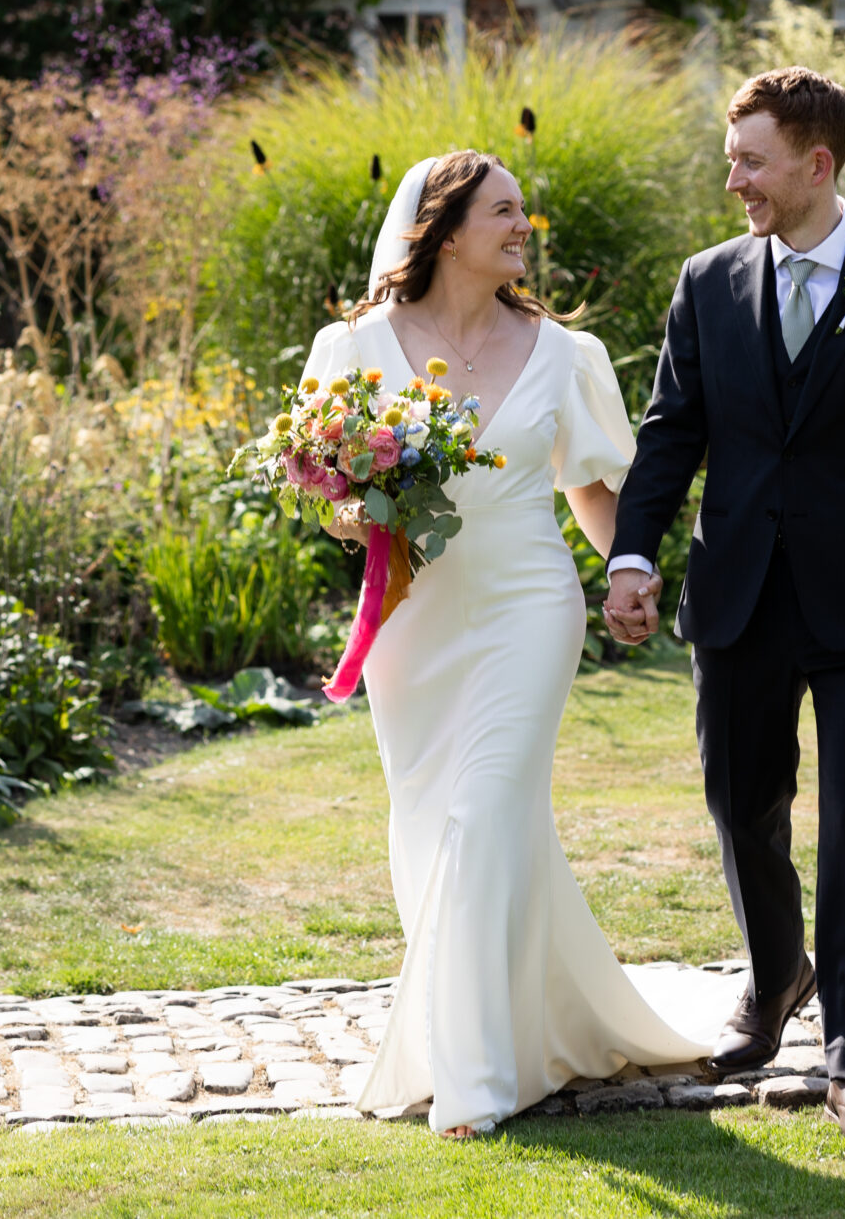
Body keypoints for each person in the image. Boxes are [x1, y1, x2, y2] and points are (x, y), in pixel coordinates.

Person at [603, 67, 845, 1147]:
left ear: (816, 165)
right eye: (731, 159)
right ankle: (777, 979)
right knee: (738, 806)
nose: (732, 181)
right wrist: (633, 551)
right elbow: (672, 429)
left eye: (750, 160)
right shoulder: (707, 280)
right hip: (736, 595)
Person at [301, 151, 708, 1138]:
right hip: (414, 617)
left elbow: (591, 488)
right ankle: (531, 1022)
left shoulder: (565, 354)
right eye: (501, 211)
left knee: (483, 815)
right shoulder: (352, 346)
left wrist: (631, 571)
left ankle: (473, 1081)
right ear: (441, 231)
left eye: (523, 210)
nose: (522, 226)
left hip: (529, 603)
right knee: (432, 823)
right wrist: (360, 511)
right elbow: (324, 491)